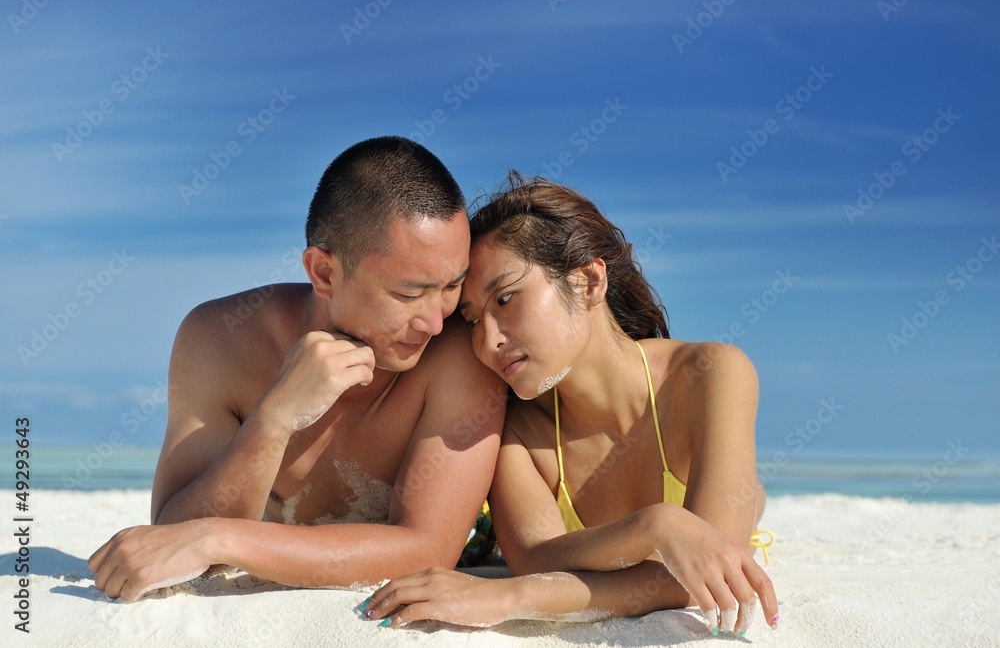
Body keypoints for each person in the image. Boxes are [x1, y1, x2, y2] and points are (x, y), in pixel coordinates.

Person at [88, 136, 506, 601]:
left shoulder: (459, 352)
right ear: (324, 273)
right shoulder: (219, 340)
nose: (435, 320)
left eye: (452, 284)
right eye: (408, 294)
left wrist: (219, 538)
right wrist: (275, 418)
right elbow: (171, 535)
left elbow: (429, 550)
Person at [363, 174, 779, 637]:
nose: (488, 339)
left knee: (750, 500)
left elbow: (710, 569)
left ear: (589, 281)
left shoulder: (709, 374)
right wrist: (656, 526)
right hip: (480, 532)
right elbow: (537, 560)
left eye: (506, 298)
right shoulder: (515, 428)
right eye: (473, 318)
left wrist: (509, 597)